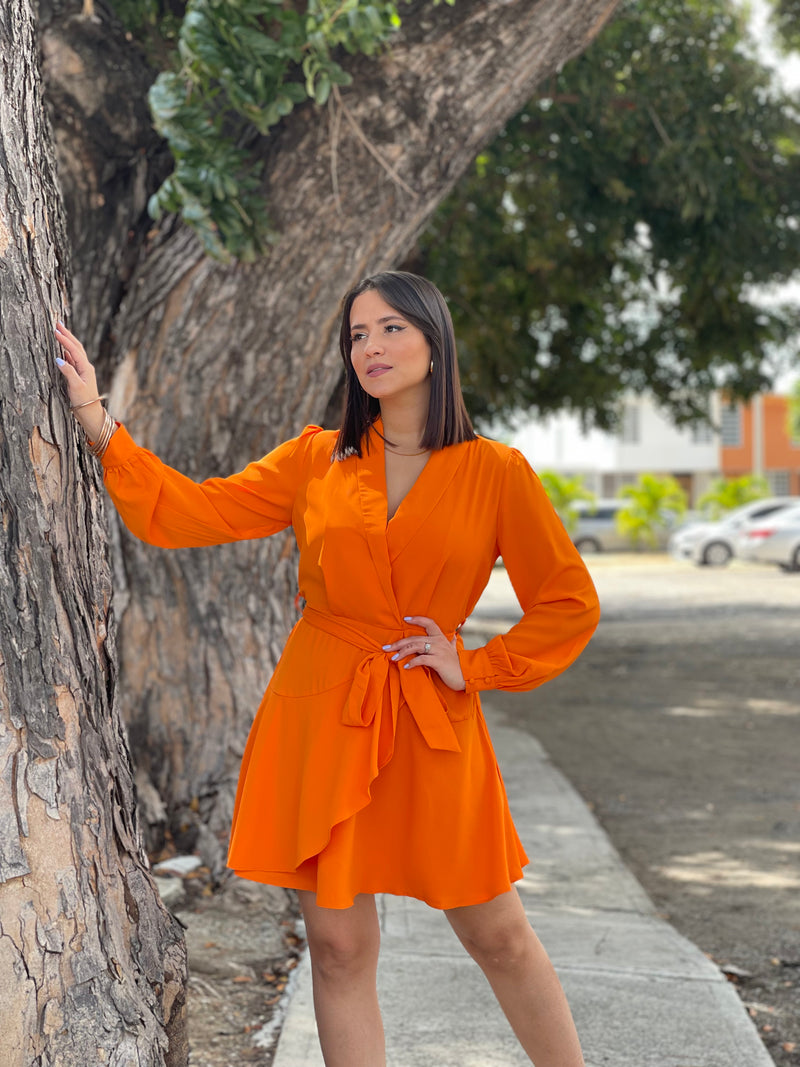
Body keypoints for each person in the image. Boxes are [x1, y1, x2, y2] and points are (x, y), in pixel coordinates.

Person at [55, 270, 600, 1067]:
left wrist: (476, 663)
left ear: (434, 340)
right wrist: (98, 421)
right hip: (319, 711)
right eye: (357, 335)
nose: (370, 347)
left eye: (391, 329)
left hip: (427, 718)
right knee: (340, 948)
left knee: (499, 934)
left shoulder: (497, 472)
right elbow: (196, 511)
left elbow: (568, 601)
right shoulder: (318, 458)